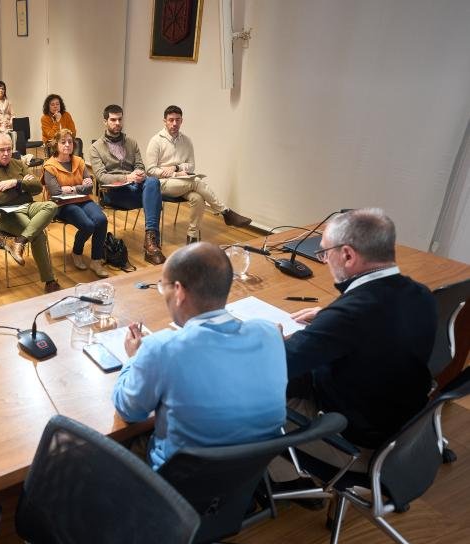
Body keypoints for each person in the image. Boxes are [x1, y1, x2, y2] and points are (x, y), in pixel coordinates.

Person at [282, 208, 437, 472]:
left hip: (354, 444)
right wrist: (328, 317)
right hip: (399, 431)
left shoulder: (349, 316)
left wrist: (267, 338)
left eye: (324, 253)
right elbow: (376, 326)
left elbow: (277, 365)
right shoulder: (421, 294)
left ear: (348, 255)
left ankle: (279, 479)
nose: (324, 261)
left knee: (246, 400)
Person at [113, 242, 287, 470]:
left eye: (162, 286)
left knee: (114, 446)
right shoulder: (270, 333)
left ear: (179, 291)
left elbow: (129, 411)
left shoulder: (161, 348)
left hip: (175, 481)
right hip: (247, 474)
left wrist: (134, 358)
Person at [145, 105, 251, 244]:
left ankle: (192, 237)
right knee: (196, 182)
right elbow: (150, 170)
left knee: (198, 198)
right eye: (171, 120)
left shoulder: (187, 141)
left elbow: (191, 166)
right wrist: (175, 174)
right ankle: (225, 212)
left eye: (178, 120)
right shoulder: (156, 141)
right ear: (164, 121)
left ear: (182, 121)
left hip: (183, 182)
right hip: (161, 184)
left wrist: (176, 167)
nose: (174, 123)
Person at [0, 132, 59, 294]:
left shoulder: (18, 164)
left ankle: (20, 240)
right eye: (1, 150)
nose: (6, 153)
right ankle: (50, 281)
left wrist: (15, 183)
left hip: (28, 206)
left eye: (9, 149)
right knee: (38, 235)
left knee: (51, 205)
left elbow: (37, 187)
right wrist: (22, 186)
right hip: (5, 214)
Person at [89, 104, 165, 265]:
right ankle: (152, 244)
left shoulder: (131, 142)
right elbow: (102, 177)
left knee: (152, 181)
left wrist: (138, 173)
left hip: (135, 188)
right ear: (105, 121)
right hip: (115, 193)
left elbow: (140, 165)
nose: (117, 123)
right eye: (113, 120)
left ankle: (150, 241)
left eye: (120, 119)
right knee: (154, 198)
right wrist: (127, 177)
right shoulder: (96, 148)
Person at [42, 128, 109, 277]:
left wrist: (71, 189)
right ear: (56, 145)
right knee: (88, 225)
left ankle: (96, 261)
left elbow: (89, 187)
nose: (67, 145)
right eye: (63, 142)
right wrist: (79, 187)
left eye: (70, 142)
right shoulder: (49, 166)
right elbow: (56, 192)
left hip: (83, 199)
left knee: (101, 220)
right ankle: (77, 252)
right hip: (62, 205)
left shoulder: (79, 161)